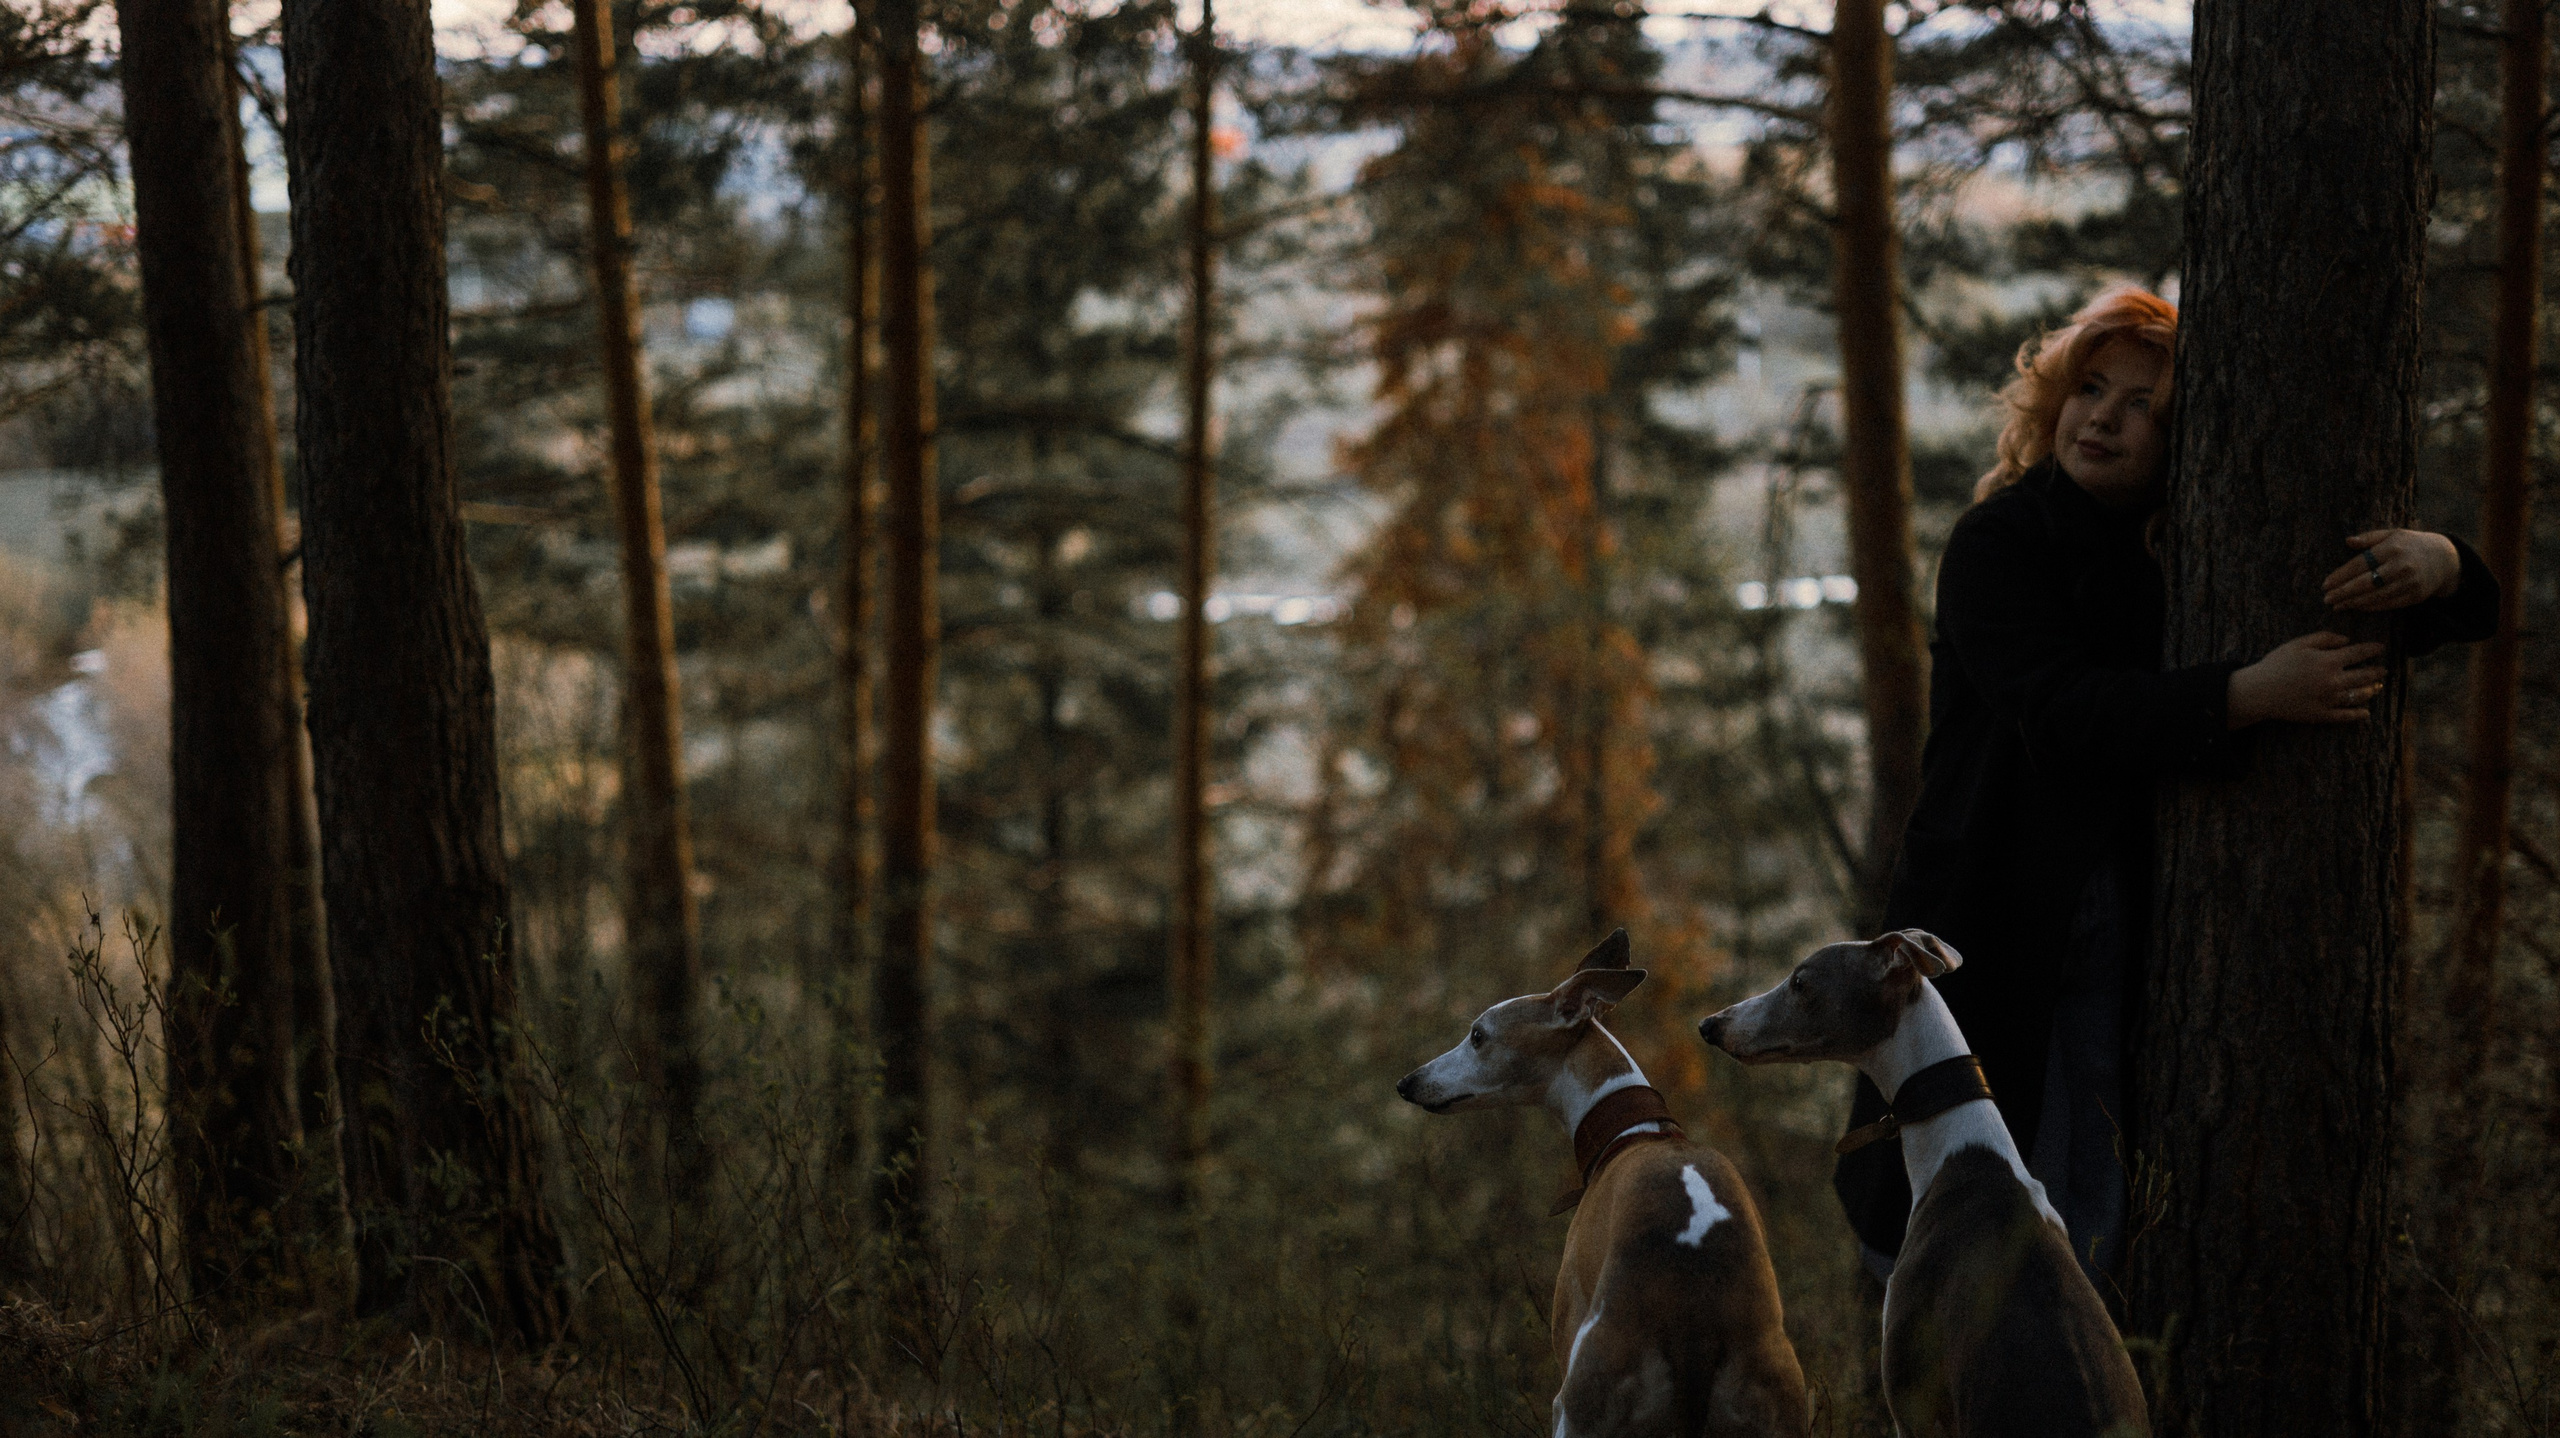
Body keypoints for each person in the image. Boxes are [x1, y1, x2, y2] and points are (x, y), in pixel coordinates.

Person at [1832, 286, 2501, 1295]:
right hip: (1993, 921)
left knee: (2085, 1204)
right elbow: (2059, 711)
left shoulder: (2182, 547)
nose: (2102, 416)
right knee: (1949, 1208)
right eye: (2089, 388)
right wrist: (2244, 695)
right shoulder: (1997, 543)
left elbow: (2417, 610)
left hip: (2120, 926)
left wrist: (2444, 564)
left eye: (2142, 403)